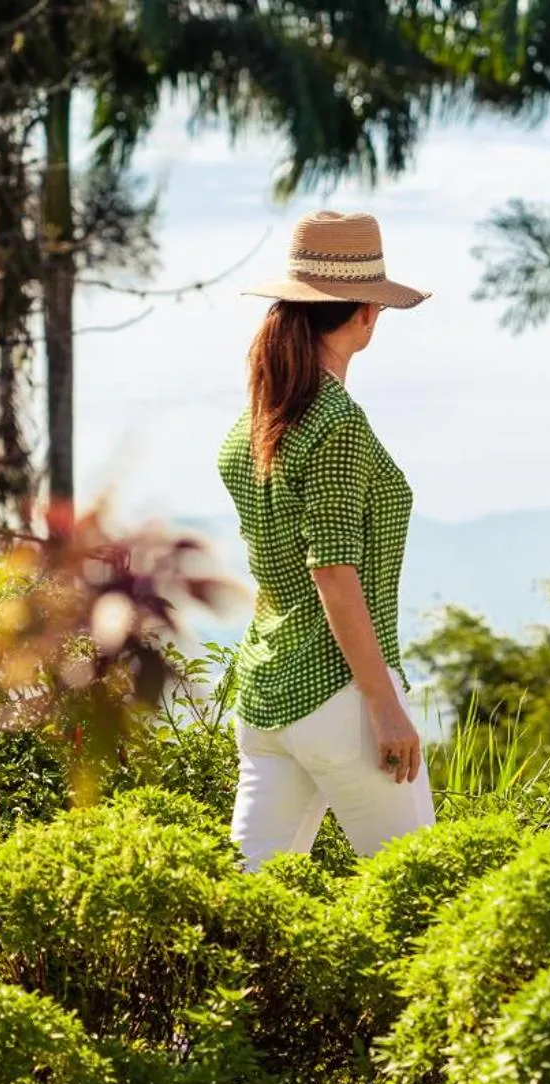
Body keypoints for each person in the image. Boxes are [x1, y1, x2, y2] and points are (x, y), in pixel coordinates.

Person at [218, 209, 435, 870]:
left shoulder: (260, 418)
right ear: (367, 312)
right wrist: (385, 706)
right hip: (341, 698)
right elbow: (332, 571)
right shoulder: (335, 420)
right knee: (425, 892)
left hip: (268, 698)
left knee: (252, 910)